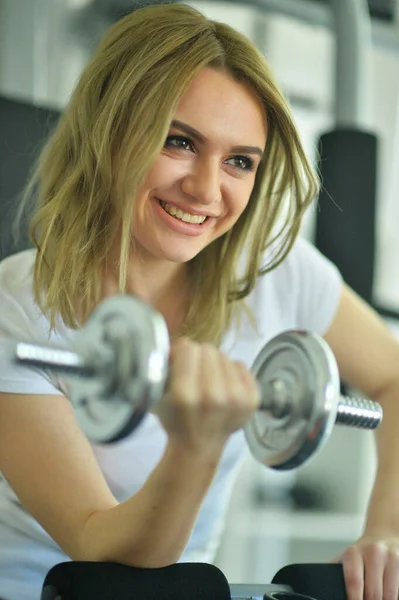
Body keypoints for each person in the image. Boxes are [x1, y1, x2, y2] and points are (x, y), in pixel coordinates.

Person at [0, 3, 398, 600]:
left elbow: (394, 377)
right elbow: (99, 550)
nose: (207, 189)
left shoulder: (273, 272)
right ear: (109, 134)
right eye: (178, 141)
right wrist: (196, 445)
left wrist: (387, 531)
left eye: (240, 161)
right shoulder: (18, 307)